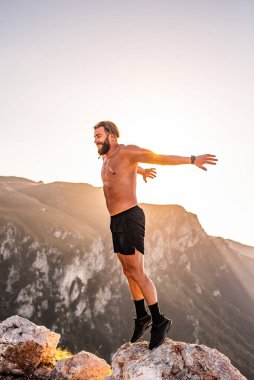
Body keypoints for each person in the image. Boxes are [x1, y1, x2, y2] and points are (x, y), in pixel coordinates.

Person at [93, 120, 217, 350]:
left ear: (111, 135)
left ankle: (159, 320)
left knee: (137, 271)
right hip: (116, 220)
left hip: (130, 217)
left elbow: (159, 157)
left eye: (98, 135)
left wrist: (191, 159)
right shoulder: (105, 157)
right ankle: (142, 316)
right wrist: (140, 171)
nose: (95, 140)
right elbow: (120, 170)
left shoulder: (128, 150)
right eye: (94, 136)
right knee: (127, 270)